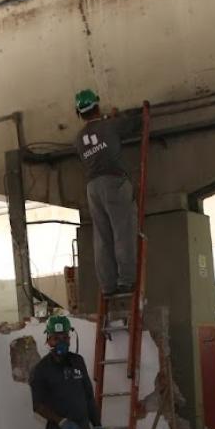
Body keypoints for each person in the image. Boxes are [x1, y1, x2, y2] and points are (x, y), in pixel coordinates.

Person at [74, 88, 143, 298]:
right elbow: (134, 123)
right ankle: (126, 280)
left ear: (78, 113)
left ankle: (107, 285)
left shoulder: (78, 138)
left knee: (102, 237)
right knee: (123, 232)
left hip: (92, 188)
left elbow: (96, 138)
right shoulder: (109, 125)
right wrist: (118, 116)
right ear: (97, 105)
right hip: (114, 181)